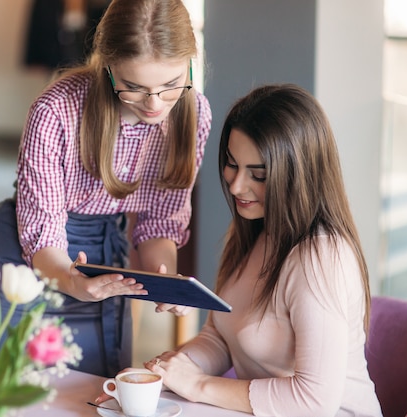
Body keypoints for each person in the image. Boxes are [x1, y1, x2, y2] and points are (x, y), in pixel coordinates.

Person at [97, 84, 382, 416]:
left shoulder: (321, 258)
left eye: (258, 174)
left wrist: (198, 385)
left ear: (298, 176)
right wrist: (166, 372)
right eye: (232, 164)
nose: (235, 186)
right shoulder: (256, 231)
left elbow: (314, 402)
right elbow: (221, 336)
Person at [0, 0, 212, 377]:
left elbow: (158, 224)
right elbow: (45, 237)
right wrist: (71, 280)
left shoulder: (193, 114)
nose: (154, 104)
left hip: (104, 252)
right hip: (28, 258)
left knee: (95, 389)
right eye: (134, 87)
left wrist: (162, 277)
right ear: (108, 68)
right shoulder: (56, 112)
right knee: (8, 387)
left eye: (170, 86)